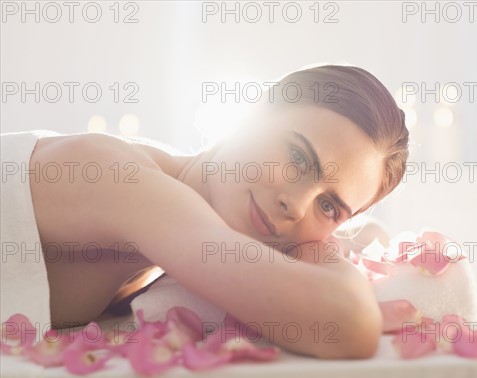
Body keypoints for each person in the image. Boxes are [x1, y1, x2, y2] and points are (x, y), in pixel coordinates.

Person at [0, 64, 409, 360]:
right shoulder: (117, 175)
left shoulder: (175, 211)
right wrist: (327, 255)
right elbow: (345, 322)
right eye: (298, 157)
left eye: (328, 206)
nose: (296, 205)